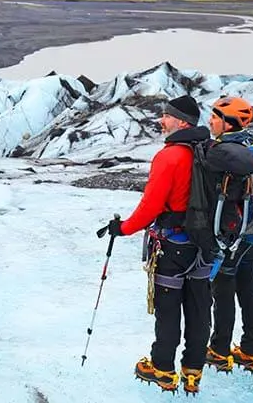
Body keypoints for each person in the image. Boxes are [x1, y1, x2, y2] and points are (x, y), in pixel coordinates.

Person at [105, 95, 212, 395]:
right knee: (199, 308)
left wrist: (123, 228)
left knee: (168, 309)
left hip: (172, 246)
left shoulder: (169, 156)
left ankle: (163, 369)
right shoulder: (206, 151)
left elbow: (151, 205)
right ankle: (193, 371)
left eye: (166, 116)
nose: (161, 121)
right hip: (203, 244)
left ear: (182, 122)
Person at [205, 96, 253, 374]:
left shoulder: (223, 152)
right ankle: (251, 350)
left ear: (229, 124)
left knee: (223, 289)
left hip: (232, 233)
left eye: (216, 117)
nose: (211, 121)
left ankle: (219, 349)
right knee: (248, 288)